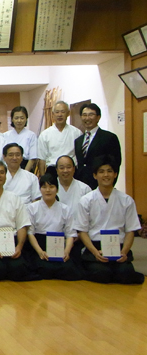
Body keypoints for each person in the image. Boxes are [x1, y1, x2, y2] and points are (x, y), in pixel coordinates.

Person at [73, 155, 144, 284]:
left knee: (125, 274)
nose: (106, 175)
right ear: (95, 175)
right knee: (101, 274)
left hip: (119, 247)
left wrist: (124, 252)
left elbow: (130, 230)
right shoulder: (86, 200)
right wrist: (95, 252)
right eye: (101, 171)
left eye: (109, 171)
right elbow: (82, 231)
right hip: (96, 246)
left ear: (115, 174)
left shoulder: (126, 200)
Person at [26, 174, 83, 281]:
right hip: (39, 244)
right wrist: (40, 252)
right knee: (40, 268)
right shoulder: (32, 208)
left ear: (57, 189)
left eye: (51, 187)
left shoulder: (65, 209)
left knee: (69, 269)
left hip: (59, 245)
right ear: (40, 189)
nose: (48, 190)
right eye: (44, 187)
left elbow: (70, 234)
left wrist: (66, 252)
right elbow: (30, 233)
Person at [74, 103, 122, 190]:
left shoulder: (109, 137)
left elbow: (115, 164)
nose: (87, 118)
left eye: (91, 115)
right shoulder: (78, 141)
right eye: (84, 115)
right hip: (81, 186)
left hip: (100, 185)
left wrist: (108, 186)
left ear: (98, 117)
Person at [37, 101, 82, 177]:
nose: (60, 115)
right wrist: (43, 177)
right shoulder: (45, 134)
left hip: (71, 170)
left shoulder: (77, 133)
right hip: (52, 170)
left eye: (63, 112)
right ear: (53, 115)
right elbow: (41, 158)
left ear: (68, 113)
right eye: (57, 112)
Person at [3, 106, 38, 171]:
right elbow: (3, 156)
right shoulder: (5, 135)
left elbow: (32, 158)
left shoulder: (31, 135)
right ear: (12, 119)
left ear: (26, 119)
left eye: (22, 118)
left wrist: (25, 173)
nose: (19, 121)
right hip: (8, 167)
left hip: (25, 166)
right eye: (16, 118)